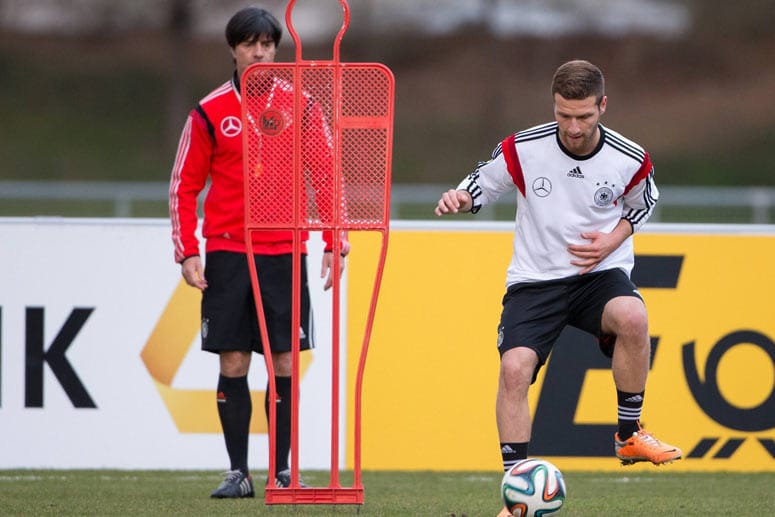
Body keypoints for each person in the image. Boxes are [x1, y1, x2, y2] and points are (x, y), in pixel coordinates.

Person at [434, 59, 682, 515]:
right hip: (535, 281)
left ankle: (629, 436)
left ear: (602, 106)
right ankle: (516, 492)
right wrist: (461, 197)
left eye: (583, 116)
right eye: (563, 114)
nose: (572, 126)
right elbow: (482, 185)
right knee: (513, 371)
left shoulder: (629, 156)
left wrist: (613, 238)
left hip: (597, 275)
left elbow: (644, 203)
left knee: (633, 316)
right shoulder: (523, 148)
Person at [169, 6, 348, 498]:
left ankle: (283, 471)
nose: (260, 52)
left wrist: (335, 242)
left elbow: (327, 175)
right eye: (250, 44)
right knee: (233, 362)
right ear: (233, 49)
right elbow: (184, 185)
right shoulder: (209, 112)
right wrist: (187, 251)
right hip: (228, 252)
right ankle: (238, 472)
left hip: (286, 250)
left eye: (267, 44)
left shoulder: (304, 106)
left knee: (286, 363)